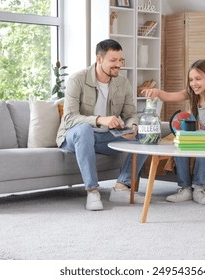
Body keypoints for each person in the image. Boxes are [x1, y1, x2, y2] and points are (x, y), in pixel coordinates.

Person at [57, 39, 146, 211]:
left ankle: (121, 186)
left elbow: (130, 114)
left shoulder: (123, 83)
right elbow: (69, 118)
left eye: (120, 60)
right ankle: (92, 191)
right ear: (99, 59)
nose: (118, 65)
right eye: (113, 60)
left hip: (105, 137)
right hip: (74, 137)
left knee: (146, 134)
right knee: (84, 130)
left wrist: (132, 127)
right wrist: (99, 119)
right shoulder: (77, 80)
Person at [144, 59, 205, 205]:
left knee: (202, 146)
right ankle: (185, 188)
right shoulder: (193, 95)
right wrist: (156, 92)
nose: (194, 83)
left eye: (198, 79)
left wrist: (192, 139)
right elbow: (170, 96)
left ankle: (198, 188)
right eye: (191, 80)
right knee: (180, 143)